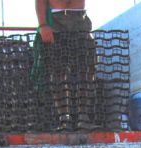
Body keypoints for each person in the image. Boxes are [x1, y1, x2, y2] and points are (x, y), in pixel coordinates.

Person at [33, 0, 100, 131]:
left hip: (80, 20)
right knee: (58, 71)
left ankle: (83, 118)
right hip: (56, 22)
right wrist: (43, 25)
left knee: (87, 68)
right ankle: (64, 119)